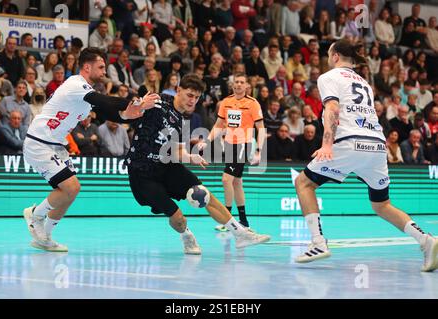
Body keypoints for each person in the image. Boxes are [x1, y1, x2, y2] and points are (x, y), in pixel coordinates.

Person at [293, 39, 438, 272]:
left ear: (336, 56)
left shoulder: (329, 77)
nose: (328, 57)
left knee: (304, 183)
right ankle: (425, 239)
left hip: (349, 141)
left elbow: (332, 109)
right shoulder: (364, 82)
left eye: (329, 53)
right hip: (377, 145)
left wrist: (327, 144)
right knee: (382, 204)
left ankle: (318, 243)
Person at [22, 48, 160, 252]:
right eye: (101, 67)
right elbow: (104, 101)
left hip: (56, 144)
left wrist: (129, 115)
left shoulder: (86, 94)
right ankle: (34, 215)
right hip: (39, 141)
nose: (104, 71)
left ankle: (45, 237)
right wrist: (138, 102)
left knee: (70, 193)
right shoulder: (76, 84)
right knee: (70, 187)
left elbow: (109, 110)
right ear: (87, 67)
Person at [125, 73, 270, 253]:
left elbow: (178, 153)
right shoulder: (159, 100)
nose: (192, 100)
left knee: (204, 193)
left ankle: (240, 234)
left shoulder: (181, 121)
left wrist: (190, 157)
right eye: (189, 95)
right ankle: (187, 236)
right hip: (142, 172)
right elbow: (130, 110)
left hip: (166, 165)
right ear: (179, 90)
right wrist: (138, 104)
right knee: (179, 218)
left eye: (197, 97)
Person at [202, 73, 266, 230]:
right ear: (232, 85)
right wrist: (207, 141)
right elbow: (219, 125)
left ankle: (227, 220)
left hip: (244, 144)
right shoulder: (226, 102)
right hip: (230, 145)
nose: (238, 84)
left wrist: (259, 150)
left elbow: (261, 128)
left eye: (241, 82)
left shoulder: (253, 103)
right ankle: (243, 221)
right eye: (236, 82)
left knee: (226, 180)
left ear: (246, 86)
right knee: (236, 182)